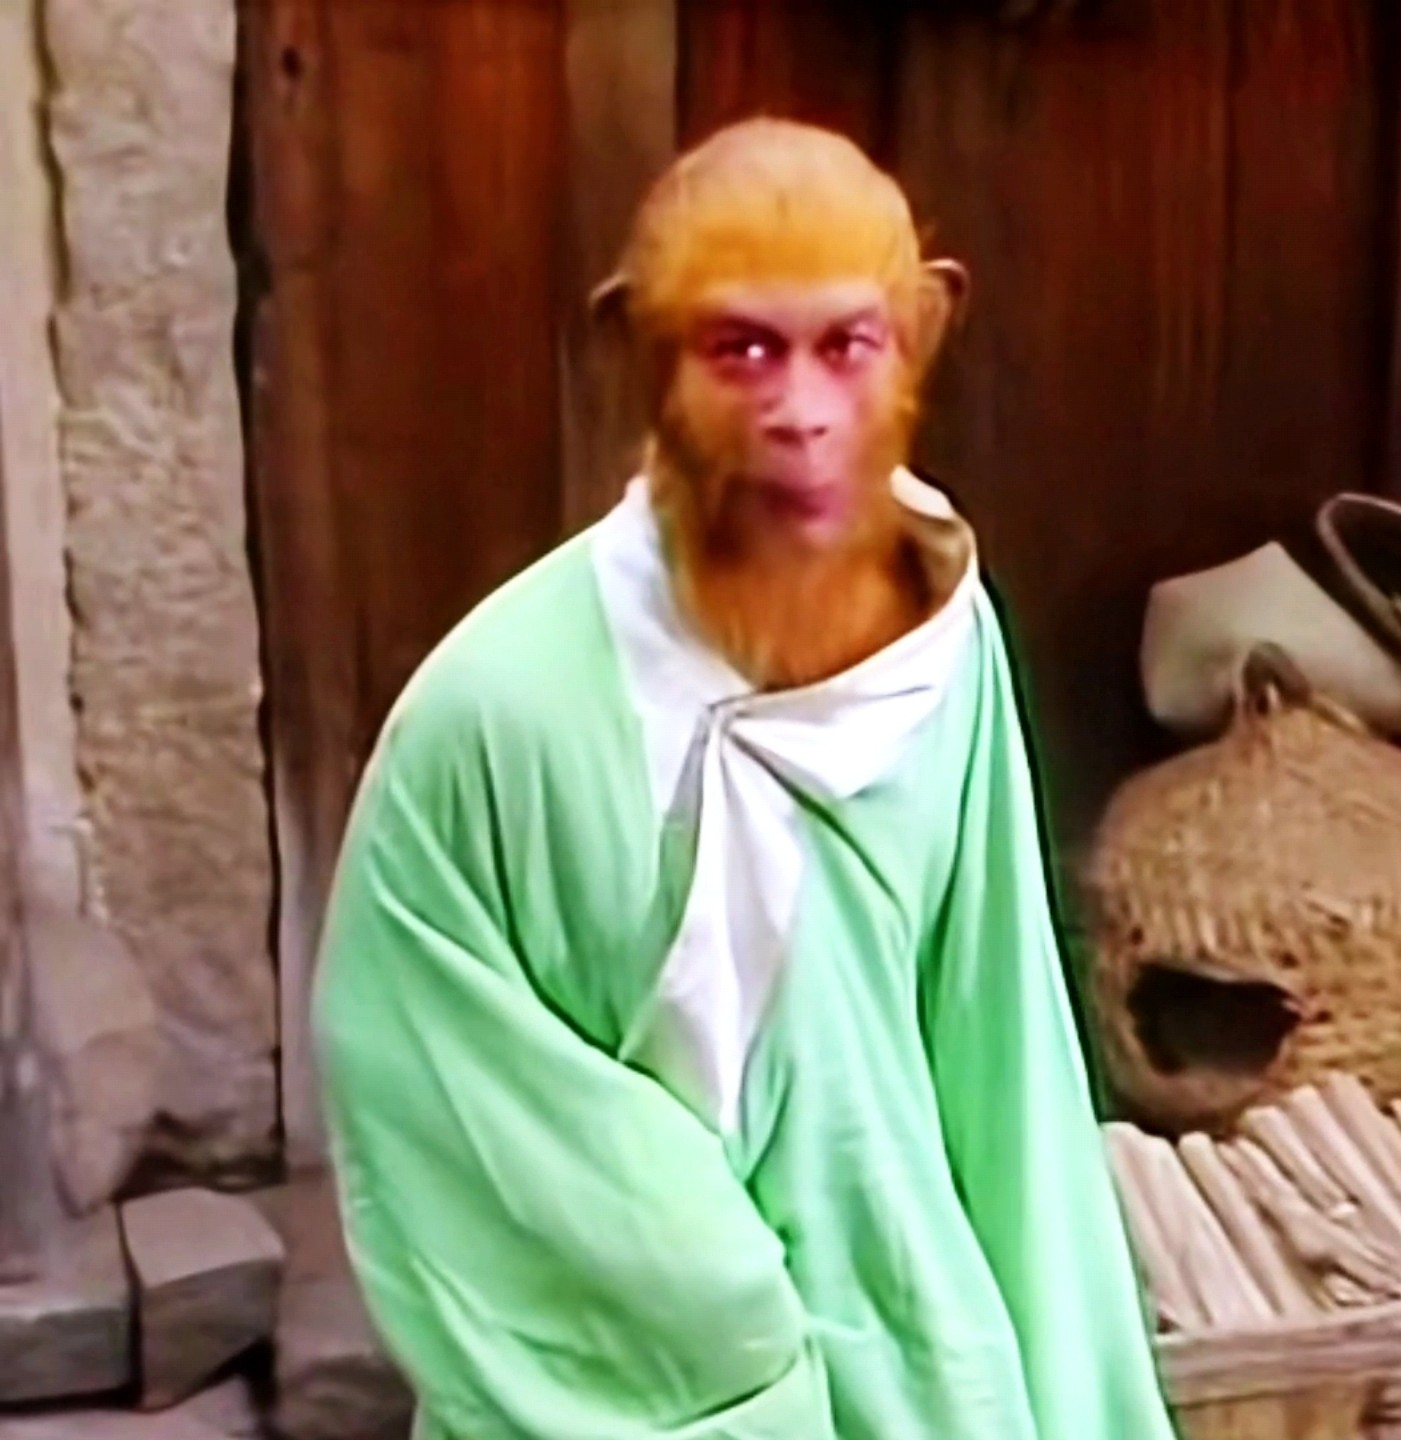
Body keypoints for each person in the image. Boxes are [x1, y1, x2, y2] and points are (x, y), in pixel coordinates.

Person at [311, 117, 1181, 1440]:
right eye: (743, 350)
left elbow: (1002, 1054)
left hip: (925, 1368)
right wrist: (744, 1327)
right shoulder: (496, 713)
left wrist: (1070, 1398)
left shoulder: (945, 649)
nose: (802, 413)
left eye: (848, 345)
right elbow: (445, 1104)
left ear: (922, 334)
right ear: (638, 353)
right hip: (654, 1383)